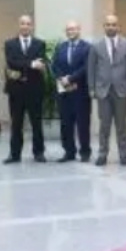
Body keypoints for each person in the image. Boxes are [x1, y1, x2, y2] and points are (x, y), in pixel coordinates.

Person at [88, 14, 126, 167]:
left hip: (121, 90)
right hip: (103, 90)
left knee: (121, 125)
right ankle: (102, 154)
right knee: (104, 125)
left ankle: (123, 154)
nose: (111, 27)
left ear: (118, 26)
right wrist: (91, 88)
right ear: (104, 26)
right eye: (108, 24)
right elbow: (91, 68)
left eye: (114, 24)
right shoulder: (96, 46)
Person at [2, 14, 47, 164]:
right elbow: (11, 62)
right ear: (19, 25)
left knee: (36, 123)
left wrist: (24, 63)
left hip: (35, 90)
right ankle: (14, 154)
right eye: (22, 23)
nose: (25, 26)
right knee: (16, 124)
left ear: (32, 26)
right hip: (16, 90)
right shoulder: (9, 44)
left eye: (28, 24)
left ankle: (39, 152)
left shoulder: (40, 44)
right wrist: (31, 64)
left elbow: (40, 62)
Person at [51, 20, 91, 163]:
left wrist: (71, 78)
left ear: (79, 30)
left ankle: (85, 152)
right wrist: (62, 78)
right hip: (64, 92)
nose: (71, 31)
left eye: (73, 29)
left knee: (83, 123)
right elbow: (54, 65)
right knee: (66, 123)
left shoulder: (87, 47)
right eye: (68, 29)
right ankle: (69, 152)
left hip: (81, 92)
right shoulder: (60, 47)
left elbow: (86, 67)